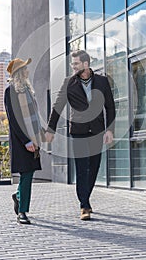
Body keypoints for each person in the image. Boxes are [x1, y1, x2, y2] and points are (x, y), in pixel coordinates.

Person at [45, 50, 115, 220]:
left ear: (85, 64)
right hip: (78, 131)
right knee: (82, 169)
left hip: (97, 131)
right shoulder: (69, 82)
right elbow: (58, 106)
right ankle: (84, 205)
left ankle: (86, 198)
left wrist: (110, 130)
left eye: (75, 63)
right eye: (72, 63)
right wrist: (50, 129)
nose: (73, 66)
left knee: (94, 167)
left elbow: (110, 107)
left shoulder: (102, 81)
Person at [4, 57, 44, 225]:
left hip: (33, 138)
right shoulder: (10, 91)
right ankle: (22, 211)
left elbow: (34, 116)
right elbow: (14, 120)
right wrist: (26, 141)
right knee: (26, 174)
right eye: (25, 68)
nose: (28, 70)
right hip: (21, 140)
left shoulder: (28, 90)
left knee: (29, 174)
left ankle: (18, 196)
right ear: (19, 72)